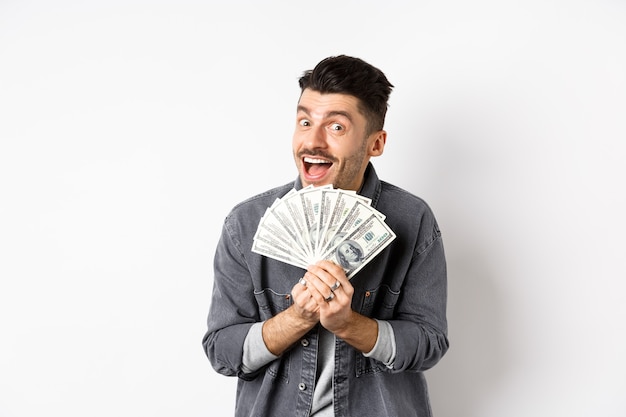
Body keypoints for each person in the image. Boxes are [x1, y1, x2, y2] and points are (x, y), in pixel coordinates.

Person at [202, 55, 449, 417]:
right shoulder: (247, 223)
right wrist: (296, 319)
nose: (312, 142)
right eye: (305, 121)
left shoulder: (413, 220)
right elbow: (222, 352)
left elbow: (428, 344)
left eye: (336, 127)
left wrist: (351, 325)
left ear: (375, 144)